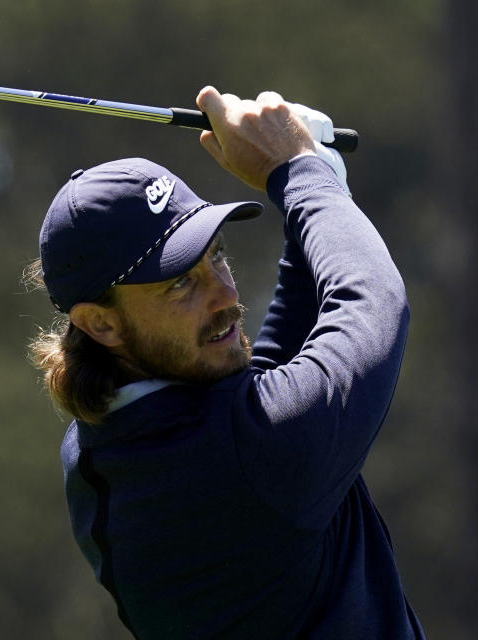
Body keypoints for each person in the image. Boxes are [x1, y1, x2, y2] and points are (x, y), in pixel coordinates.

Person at [26, 87, 425, 639]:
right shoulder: (250, 457)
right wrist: (301, 171)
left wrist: (312, 186)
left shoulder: (103, 443)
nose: (225, 296)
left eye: (216, 254)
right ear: (101, 323)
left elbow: (263, 382)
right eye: (181, 282)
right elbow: (374, 301)